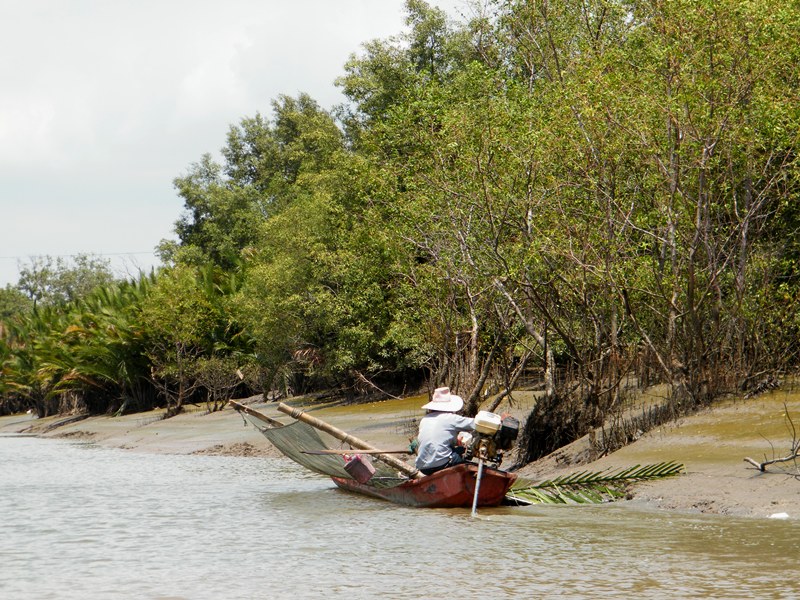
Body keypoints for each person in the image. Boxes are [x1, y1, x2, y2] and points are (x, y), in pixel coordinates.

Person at [414, 387, 475, 476]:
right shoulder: (449, 418)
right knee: (464, 454)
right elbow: (474, 424)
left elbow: (439, 437)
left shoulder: (425, 419)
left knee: (458, 450)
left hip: (423, 468)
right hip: (441, 465)